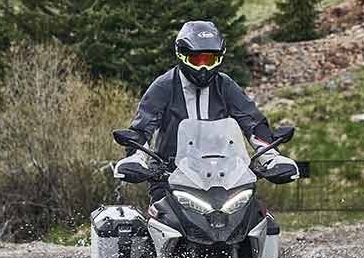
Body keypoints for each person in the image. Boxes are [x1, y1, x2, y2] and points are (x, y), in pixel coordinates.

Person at [114, 20, 298, 199]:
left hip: (225, 178)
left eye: (209, 59)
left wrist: (272, 157)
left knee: (261, 221)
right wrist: (136, 159)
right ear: (182, 55)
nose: (203, 67)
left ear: (219, 57)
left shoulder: (225, 85)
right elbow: (142, 129)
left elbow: (253, 123)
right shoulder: (164, 86)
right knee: (165, 223)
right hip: (170, 176)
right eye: (197, 59)